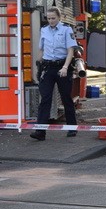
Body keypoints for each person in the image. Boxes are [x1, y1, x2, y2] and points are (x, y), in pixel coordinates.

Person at [29, 7, 82, 141]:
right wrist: (37, 66)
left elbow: (70, 50)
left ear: (59, 18)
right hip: (48, 67)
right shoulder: (44, 30)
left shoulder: (66, 29)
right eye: (49, 18)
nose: (51, 21)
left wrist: (65, 67)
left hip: (62, 67)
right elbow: (41, 49)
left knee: (66, 97)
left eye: (53, 18)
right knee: (45, 98)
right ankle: (40, 131)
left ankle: (71, 127)